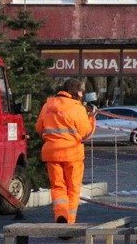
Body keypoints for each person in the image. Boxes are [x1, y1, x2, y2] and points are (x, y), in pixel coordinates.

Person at [35, 78, 96, 225]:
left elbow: (39, 128)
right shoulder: (78, 108)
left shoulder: (48, 105)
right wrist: (92, 117)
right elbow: (85, 133)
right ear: (75, 92)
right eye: (80, 91)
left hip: (52, 153)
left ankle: (60, 214)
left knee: (58, 187)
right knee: (73, 189)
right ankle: (69, 222)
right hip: (72, 153)